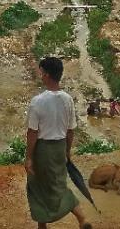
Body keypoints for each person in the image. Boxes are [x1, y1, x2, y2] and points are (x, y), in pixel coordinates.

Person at [26, 57, 92, 229]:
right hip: (60, 147)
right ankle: (82, 219)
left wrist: (29, 158)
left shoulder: (37, 101)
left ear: (47, 75)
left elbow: (32, 132)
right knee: (59, 185)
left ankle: (42, 227)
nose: (40, 75)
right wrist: (67, 151)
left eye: (41, 72)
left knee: (38, 188)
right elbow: (71, 130)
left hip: (43, 151)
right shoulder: (67, 99)